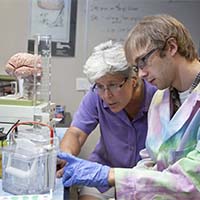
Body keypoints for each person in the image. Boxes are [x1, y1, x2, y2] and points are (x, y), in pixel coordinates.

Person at [58, 14, 200, 199]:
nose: (140, 74)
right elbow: (151, 159)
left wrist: (110, 175)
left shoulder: (155, 94)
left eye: (143, 61)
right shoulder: (162, 97)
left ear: (171, 47)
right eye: (136, 66)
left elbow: (192, 181)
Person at [57, 40, 156, 200]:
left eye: (113, 85)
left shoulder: (157, 97)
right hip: (103, 173)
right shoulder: (96, 95)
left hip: (145, 177)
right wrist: (66, 157)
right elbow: (76, 133)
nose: (106, 95)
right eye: (100, 86)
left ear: (133, 79)